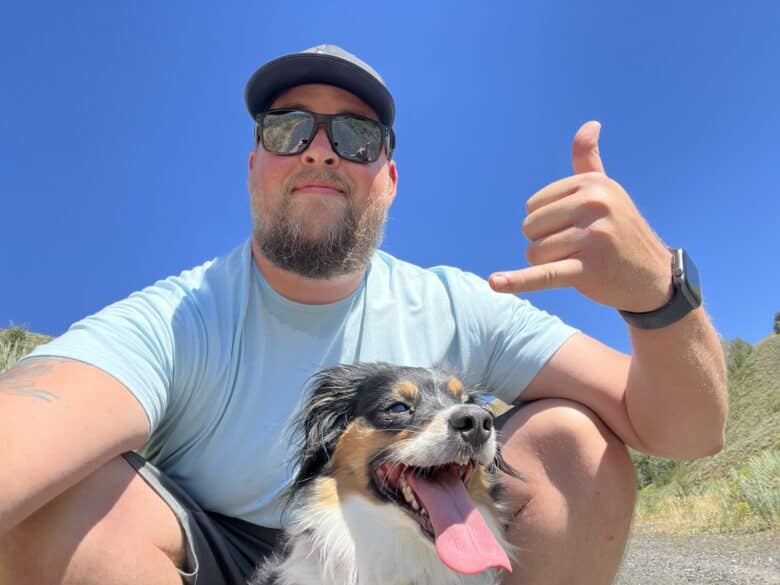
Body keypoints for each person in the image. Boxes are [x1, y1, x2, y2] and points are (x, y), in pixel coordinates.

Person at [0, 45, 727, 585]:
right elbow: (30, 426)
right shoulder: (180, 315)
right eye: (288, 129)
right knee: (58, 501)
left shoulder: (455, 302)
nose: (321, 151)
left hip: (403, 548)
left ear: (389, 178)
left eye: (356, 136)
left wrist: (657, 292)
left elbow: (689, 430)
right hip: (215, 559)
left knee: (575, 442)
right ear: (255, 163)